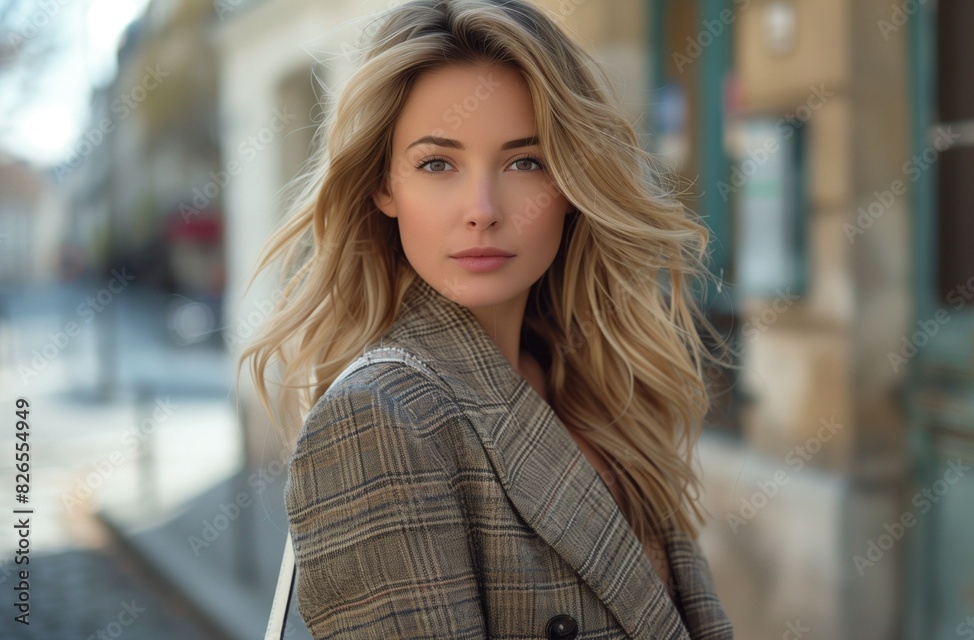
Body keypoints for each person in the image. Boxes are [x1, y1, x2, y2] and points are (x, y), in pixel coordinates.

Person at [237, 1, 734, 638]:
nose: (482, 209)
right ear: (383, 187)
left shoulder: (593, 381)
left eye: (525, 161)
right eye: (437, 163)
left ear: (571, 183)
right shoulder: (379, 421)